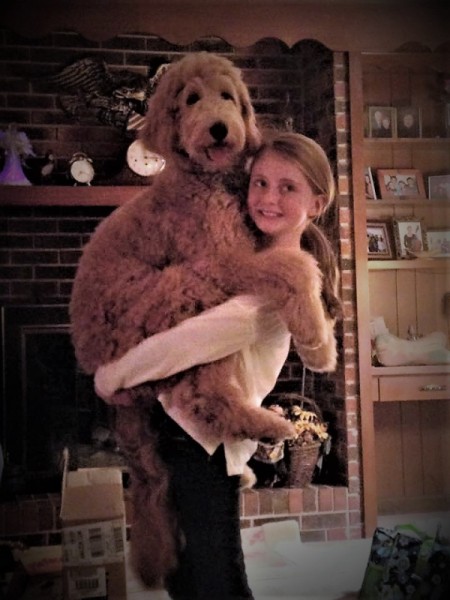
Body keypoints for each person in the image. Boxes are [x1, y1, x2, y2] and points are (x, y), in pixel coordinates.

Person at [95, 130, 341, 600]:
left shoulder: (280, 282)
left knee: (215, 584)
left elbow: (192, 340)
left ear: (317, 202)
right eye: (260, 183)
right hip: (184, 434)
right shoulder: (251, 256)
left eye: (288, 187)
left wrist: (113, 375)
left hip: (202, 442)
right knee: (188, 578)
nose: (268, 198)